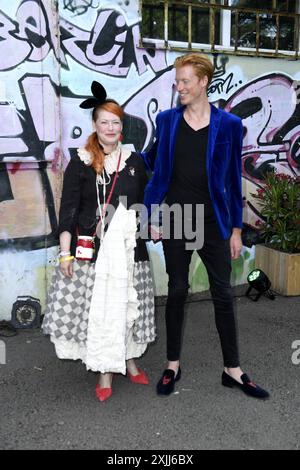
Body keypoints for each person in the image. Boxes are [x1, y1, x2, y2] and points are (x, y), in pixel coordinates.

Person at [141, 53, 269, 399]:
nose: (178, 87)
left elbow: (232, 178)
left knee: (223, 294)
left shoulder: (227, 125)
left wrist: (237, 229)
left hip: (214, 223)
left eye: (184, 81)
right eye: (177, 81)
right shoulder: (167, 121)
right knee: (178, 291)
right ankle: (172, 364)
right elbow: (151, 165)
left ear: (202, 83)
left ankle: (233, 369)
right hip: (176, 220)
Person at [43, 81, 156, 402]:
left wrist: (152, 224)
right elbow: (68, 212)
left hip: (130, 251)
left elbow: (144, 204)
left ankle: (129, 360)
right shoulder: (80, 161)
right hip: (90, 254)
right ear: (94, 125)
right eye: (104, 121)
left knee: (126, 309)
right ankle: (105, 371)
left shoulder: (134, 162)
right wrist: (65, 255)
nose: (110, 127)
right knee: (102, 311)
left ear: (123, 127)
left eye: (115, 122)